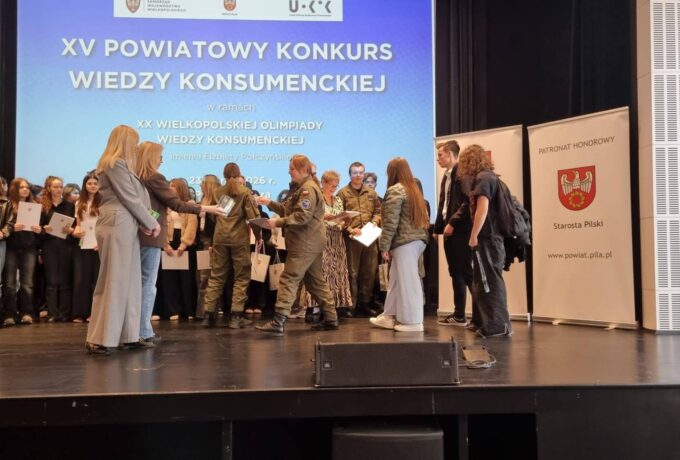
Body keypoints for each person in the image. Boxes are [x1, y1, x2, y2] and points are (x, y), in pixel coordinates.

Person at [135, 142, 224, 340]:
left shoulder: (136, 177)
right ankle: (143, 332)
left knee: (140, 283)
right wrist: (208, 208)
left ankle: (136, 330)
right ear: (151, 157)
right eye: (160, 156)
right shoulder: (154, 177)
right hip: (151, 237)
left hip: (139, 236)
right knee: (148, 285)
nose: (162, 160)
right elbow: (177, 204)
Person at [85, 125, 161, 355]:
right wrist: (151, 222)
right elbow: (130, 197)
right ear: (125, 141)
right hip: (117, 224)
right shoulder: (114, 163)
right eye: (134, 142)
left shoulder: (121, 165)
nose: (136, 147)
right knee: (114, 280)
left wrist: (144, 222)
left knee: (130, 281)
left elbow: (134, 199)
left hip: (126, 225)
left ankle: (128, 335)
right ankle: (99, 338)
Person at [255, 154, 339, 334]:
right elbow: (288, 210)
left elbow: (302, 216)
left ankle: (278, 321)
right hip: (309, 242)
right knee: (315, 282)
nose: (289, 171)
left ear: (303, 170)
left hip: (305, 243)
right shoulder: (302, 188)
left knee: (288, 278)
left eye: (292, 168)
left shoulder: (307, 189)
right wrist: (269, 203)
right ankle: (331, 318)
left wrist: (277, 222)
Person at [369, 158, 429, 332]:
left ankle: (413, 322)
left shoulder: (395, 190)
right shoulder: (414, 189)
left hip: (404, 242)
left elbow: (390, 222)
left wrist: (384, 246)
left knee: (408, 282)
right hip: (417, 240)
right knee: (396, 279)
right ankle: (389, 316)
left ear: (392, 172)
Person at [458, 144, 512, 337]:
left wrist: (473, 235)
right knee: (483, 281)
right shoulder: (488, 177)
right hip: (489, 238)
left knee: (490, 282)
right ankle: (488, 323)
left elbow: (483, 207)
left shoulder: (484, 178)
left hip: (488, 238)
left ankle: (498, 327)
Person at [203, 162, 260, 329]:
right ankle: (236, 317)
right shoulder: (245, 192)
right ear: (239, 174)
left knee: (216, 276)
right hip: (239, 239)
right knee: (241, 277)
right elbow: (253, 218)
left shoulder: (217, 192)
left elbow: (214, 217)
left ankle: (208, 315)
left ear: (224, 175)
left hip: (220, 238)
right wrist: (259, 237)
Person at [433, 140, 476, 327]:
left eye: (440, 155)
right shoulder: (447, 176)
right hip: (449, 231)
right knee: (455, 273)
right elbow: (444, 204)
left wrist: (452, 222)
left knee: (466, 273)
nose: (437, 159)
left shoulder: (462, 174)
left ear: (450, 154)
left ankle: (481, 317)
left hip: (461, 231)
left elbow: (468, 202)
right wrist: (437, 229)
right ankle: (459, 315)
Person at [298, 170, 353, 318]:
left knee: (336, 274)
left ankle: (333, 306)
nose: (333, 189)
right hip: (321, 238)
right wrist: (323, 217)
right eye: (331, 185)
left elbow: (341, 220)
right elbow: (307, 216)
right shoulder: (316, 197)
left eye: (336, 186)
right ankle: (314, 307)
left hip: (337, 240)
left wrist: (346, 221)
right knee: (320, 274)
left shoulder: (338, 200)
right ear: (323, 183)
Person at [337, 161, 382, 318]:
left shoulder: (371, 193)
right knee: (352, 273)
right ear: (350, 175)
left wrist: (374, 222)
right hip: (352, 239)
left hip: (369, 237)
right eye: (355, 172)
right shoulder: (342, 193)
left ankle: (365, 303)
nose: (358, 175)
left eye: (361, 172)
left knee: (369, 272)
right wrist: (350, 229)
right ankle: (351, 305)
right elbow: (339, 216)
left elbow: (378, 211)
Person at [1, 178, 40, 326]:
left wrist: (39, 230)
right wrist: (12, 228)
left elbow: (42, 229)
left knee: (27, 283)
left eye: (27, 187)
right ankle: (9, 314)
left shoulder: (34, 206)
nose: (25, 190)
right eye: (21, 187)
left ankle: (26, 313)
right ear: (14, 189)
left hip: (29, 247)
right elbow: (3, 226)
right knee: (9, 283)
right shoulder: (7, 205)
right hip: (11, 247)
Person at [40, 175, 76, 322]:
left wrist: (71, 230)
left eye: (61, 187)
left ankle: (64, 313)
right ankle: (52, 313)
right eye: (55, 187)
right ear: (49, 188)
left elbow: (75, 226)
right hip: (49, 246)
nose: (59, 189)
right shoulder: (43, 206)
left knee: (65, 281)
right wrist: (44, 229)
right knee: (51, 281)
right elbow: (38, 228)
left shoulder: (70, 206)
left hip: (66, 246)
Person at [72, 172, 101, 323]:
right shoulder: (79, 202)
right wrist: (76, 230)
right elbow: (78, 224)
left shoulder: (103, 201)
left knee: (96, 280)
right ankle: (79, 313)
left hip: (98, 245)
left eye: (95, 183)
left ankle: (94, 313)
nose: (92, 186)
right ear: (85, 185)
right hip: (83, 243)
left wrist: (101, 242)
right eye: (89, 183)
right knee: (81, 279)